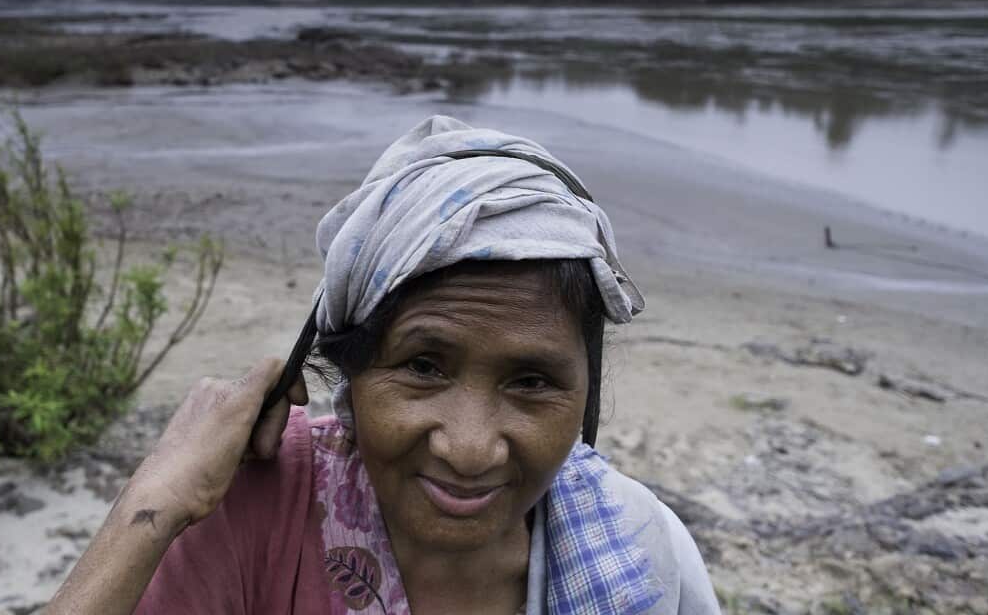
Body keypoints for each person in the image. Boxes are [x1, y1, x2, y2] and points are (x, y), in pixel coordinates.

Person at [48, 116, 720, 614]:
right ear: (351, 371)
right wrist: (150, 503)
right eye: (424, 367)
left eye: (532, 381)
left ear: (585, 389)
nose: (469, 447)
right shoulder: (249, 513)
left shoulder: (641, 556)